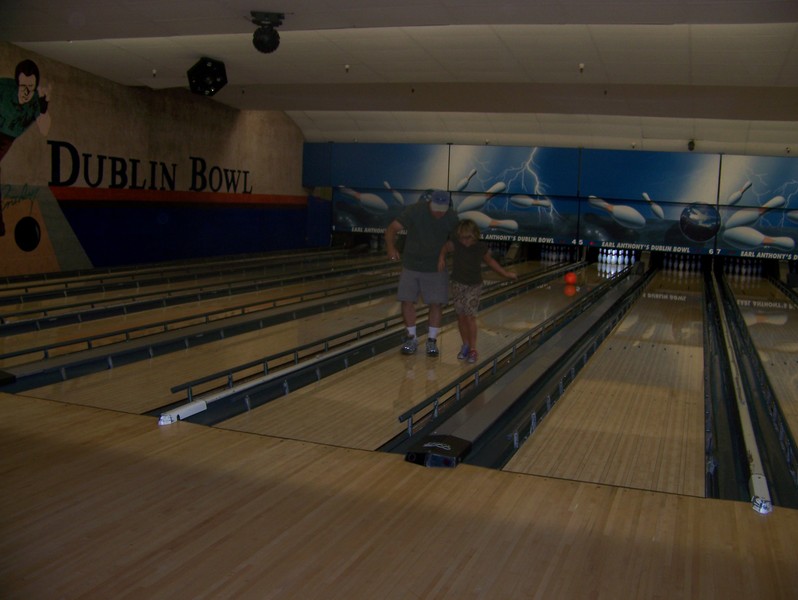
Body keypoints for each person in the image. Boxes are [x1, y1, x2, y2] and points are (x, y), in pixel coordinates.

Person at [385, 189, 459, 357]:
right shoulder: (415, 210)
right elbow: (392, 228)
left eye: (443, 210)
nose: (439, 213)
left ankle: (432, 340)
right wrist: (390, 247)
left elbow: (455, 241)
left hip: (436, 267)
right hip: (411, 264)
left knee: (436, 303)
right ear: (430, 203)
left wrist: (443, 252)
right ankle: (411, 337)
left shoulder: (452, 217)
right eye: (436, 209)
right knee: (407, 300)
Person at [437, 218, 518, 364]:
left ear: (474, 235)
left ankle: (473, 349)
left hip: (474, 286)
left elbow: (491, 262)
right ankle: (465, 345)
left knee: (470, 317)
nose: (464, 241)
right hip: (457, 284)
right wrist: (441, 258)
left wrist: (505, 274)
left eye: (467, 238)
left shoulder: (481, 247)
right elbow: (444, 247)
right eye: (462, 238)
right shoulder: (456, 243)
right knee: (461, 316)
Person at [0, 59, 52, 236]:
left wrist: (44, 109)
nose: (26, 91)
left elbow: (45, 130)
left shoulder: (37, 101)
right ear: (17, 83)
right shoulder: (4, 88)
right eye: (23, 86)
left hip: (7, 138)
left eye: (30, 86)